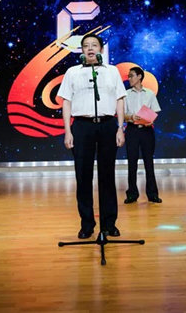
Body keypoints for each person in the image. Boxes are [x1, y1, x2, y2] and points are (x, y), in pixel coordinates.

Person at [58, 34, 127, 239]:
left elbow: (120, 99)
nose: (90, 49)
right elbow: (66, 102)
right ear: (81, 50)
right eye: (86, 46)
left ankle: (109, 224)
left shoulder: (112, 71)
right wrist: (68, 131)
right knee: (83, 176)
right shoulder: (72, 72)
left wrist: (120, 128)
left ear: (101, 50)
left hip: (107, 125)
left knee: (107, 175)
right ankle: (87, 224)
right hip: (82, 126)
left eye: (94, 45)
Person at [123, 66, 162, 204]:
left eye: (131, 76)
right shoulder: (126, 94)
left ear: (139, 76)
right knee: (132, 162)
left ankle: (152, 194)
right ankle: (132, 194)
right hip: (132, 130)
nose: (129, 78)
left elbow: (155, 111)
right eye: (128, 76)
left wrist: (150, 120)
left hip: (147, 131)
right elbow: (122, 114)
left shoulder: (149, 94)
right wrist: (131, 117)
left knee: (148, 162)